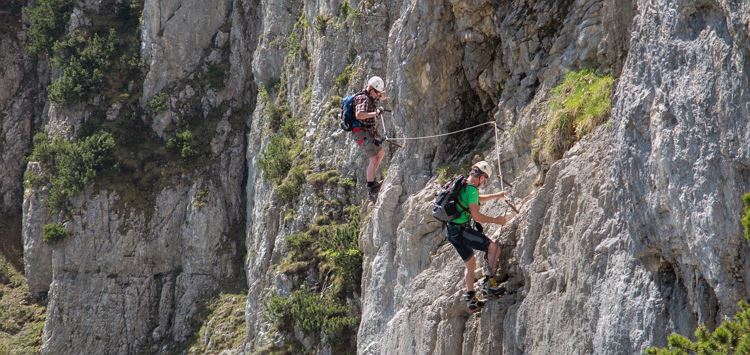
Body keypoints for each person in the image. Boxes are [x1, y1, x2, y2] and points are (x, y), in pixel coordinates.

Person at [444, 160, 512, 313]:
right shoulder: (472, 190)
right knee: (493, 248)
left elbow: (475, 199)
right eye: (485, 178)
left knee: (470, 264)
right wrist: (496, 220)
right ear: (481, 177)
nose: (485, 181)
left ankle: (471, 300)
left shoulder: (463, 185)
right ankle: (489, 284)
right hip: (462, 232)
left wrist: (496, 195)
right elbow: (477, 216)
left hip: (451, 231)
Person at [352, 76, 387, 202]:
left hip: (365, 132)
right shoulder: (363, 98)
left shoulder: (369, 97)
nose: (377, 95)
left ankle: (372, 181)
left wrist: (381, 96)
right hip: (361, 133)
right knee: (374, 158)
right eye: (376, 92)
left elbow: (379, 98)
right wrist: (375, 113)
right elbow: (359, 115)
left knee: (380, 153)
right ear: (371, 88)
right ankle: (371, 187)